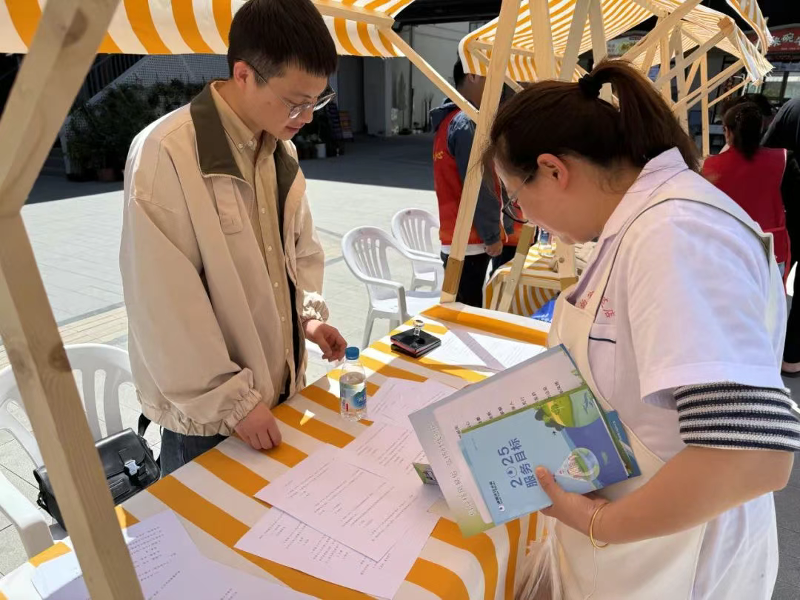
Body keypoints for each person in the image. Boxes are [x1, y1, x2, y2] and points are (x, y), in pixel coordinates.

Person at [485, 61, 799, 600]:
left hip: (677, 565)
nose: (524, 217)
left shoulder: (674, 234)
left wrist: (598, 524)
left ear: (553, 170)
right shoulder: (642, 224)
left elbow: (753, 455)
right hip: (643, 549)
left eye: (515, 198)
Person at [120, 0, 346, 476]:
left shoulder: (280, 149)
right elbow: (163, 303)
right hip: (208, 421)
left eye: (317, 101)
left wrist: (306, 318)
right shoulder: (166, 151)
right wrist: (233, 403)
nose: (307, 117)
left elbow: (300, 253)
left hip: (278, 392)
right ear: (244, 74)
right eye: (296, 102)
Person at [431, 59, 515, 307]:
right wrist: (492, 235)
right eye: (492, 77)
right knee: (467, 312)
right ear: (473, 76)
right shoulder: (466, 122)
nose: (497, 86)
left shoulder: (448, 120)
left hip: (457, 236)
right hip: (471, 239)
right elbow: (480, 184)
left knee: (461, 307)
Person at [702, 103, 792, 276]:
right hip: (771, 249)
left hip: (726, 248)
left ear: (727, 131)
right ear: (761, 129)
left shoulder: (710, 167)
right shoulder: (783, 159)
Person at [764, 96, 800, 376]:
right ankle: (791, 358)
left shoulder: (793, 106)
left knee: (770, 282)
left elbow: (764, 152)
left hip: (784, 213)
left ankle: (760, 353)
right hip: (787, 211)